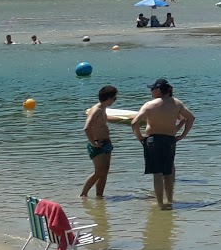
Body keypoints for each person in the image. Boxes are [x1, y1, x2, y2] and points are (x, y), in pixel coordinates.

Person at [129, 78, 196, 210]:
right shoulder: (177, 103)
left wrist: (140, 138)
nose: (151, 91)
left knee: (157, 174)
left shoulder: (150, 105)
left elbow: (134, 123)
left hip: (153, 140)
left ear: (158, 90)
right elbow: (190, 118)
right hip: (169, 140)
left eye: (152, 89)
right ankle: (170, 200)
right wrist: (182, 135)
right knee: (169, 172)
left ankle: (160, 204)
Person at [81, 85, 119, 198]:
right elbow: (87, 127)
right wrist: (93, 143)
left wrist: (124, 120)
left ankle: (99, 196)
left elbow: (103, 121)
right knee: (99, 172)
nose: (114, 101)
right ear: (108, 98)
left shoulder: (103, 108)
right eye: (114, 98)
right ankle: (83, 194)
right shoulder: (96, 110)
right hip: (98, 144)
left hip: (106, 143)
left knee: (105, 172)